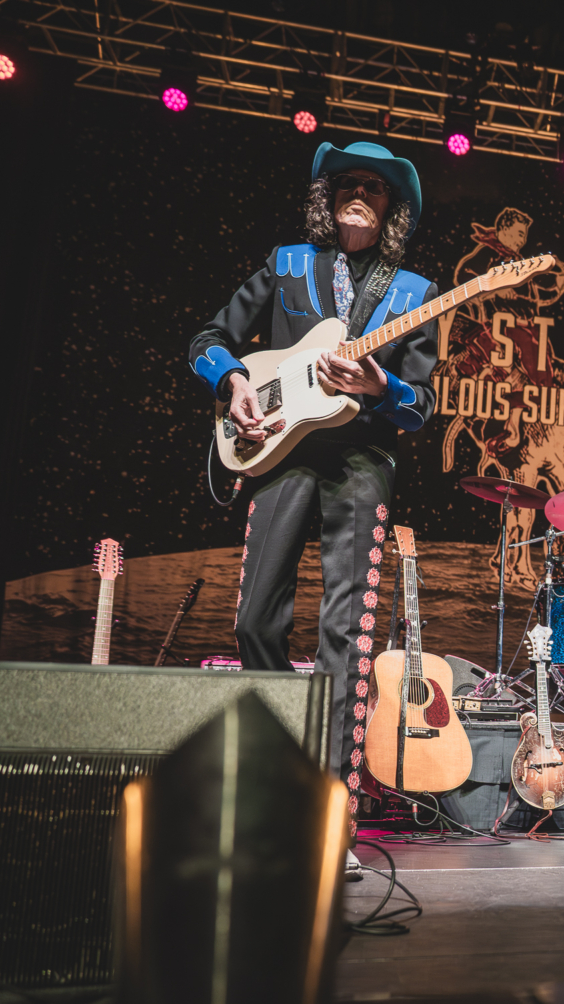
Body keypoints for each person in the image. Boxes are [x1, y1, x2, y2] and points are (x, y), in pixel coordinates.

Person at [187, 141, 439, 833]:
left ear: (392, 209)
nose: (359, 192)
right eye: (347, 182)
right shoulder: (288, 262)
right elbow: (209, 338)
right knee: (253, 619)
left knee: (347, 634)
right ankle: (279, 772)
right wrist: (232, 380)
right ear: (327, 197)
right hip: (280, 452)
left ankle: (330, 809)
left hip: (362, 460)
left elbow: (421, 406)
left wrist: (381, 386)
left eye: (375, 187)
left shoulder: (415, 293)